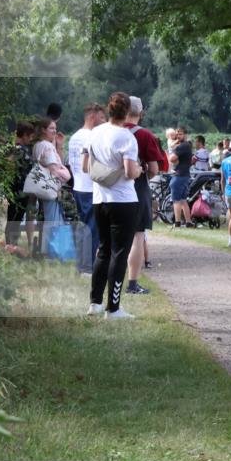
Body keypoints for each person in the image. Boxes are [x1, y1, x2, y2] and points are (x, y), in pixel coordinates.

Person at [83, 92, 142, 320]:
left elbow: (86, 165)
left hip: (100, 199)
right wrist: (138, 170)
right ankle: (114, 308)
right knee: (119, 253)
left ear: (109, 110)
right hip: (123, 201)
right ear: (127, 113)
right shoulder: (127, 137)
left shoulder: (95, 133)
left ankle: (95, 303)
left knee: (103, 250)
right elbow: (129, 172)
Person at [122, 97, 165, 295]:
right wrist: (144, 173)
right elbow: (155, 169)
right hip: (137, 188)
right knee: (137, 236)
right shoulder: (145, 135)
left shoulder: (110, 131)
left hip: (109, 189)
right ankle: (132, 282)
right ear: (141, 113)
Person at [68, 103, 106, 273]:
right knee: (92, 228)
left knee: (83, 226)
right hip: (90, 187)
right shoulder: (91, 136)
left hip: (78, 186)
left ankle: (80, 264)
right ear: (93, 116)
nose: (104, 120)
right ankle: (87, 266)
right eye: (102, 117)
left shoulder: (74, 136)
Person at [30, 117, 72, 256]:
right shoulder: (46, 146)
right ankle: (51, 251)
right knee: (53, 220)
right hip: (51, 186)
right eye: (51, 128)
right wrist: (66, 175)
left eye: (55, 128)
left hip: (43, 186)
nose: (54, 131)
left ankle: (47, 250)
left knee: (50, 218)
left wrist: (58, 145)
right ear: (43, 130)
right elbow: (54, 169)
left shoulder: (38, 145)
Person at [6, 121, 35, 249]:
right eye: (29, 136)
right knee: (14, 218)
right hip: (17, 191)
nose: (31, 139)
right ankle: (10, 245)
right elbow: (7, 166)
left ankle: (12, 244)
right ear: (24, 135)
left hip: (20, 190)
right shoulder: (17, 150)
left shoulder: (19, 150)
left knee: (16, 218)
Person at [167, 127, 194, 229]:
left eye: (181, 134)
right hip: (185, 175)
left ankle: (177, 222)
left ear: (185, 135)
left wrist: (173, 159)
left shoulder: (182, 146)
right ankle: (188, 222)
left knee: (176, 200)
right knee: (183, 200)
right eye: (177, 134)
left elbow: (172, 158)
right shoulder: (187, 146)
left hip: (179, 175)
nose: (178, 136)